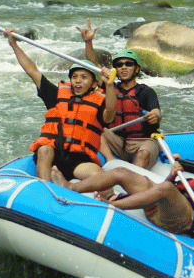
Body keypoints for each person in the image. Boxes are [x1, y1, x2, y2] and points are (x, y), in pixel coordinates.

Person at [6, 29, 117, 184]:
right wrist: (14, 45)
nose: (78, 81)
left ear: (93, 84)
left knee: (98, 174)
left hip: (78, 159)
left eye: (84, 77)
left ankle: (79, 189)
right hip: (54, 154)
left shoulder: (99, 101)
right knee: (44, 149)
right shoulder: (56, 95)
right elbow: (32, 71)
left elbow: (110, 114)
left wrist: (110, 85)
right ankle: (47, 189)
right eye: (74, 77)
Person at [68, 155, 194, 239]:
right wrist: (172, 175)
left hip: (180, 220)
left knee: (166, 188)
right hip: (159, 208)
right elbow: (169, 190)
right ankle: (71, 187)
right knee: (122, 172)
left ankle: (111, 205)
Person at [78, 21, 162, 169]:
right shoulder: (110, 87)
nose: (123, 67)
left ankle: (135, 181)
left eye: (128, 64)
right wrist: (89, 42)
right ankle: (111, 162)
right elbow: (93, 65)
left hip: (142, 142)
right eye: (119, 64)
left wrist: (154, 116)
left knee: (143, 154)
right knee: (96, 128)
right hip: (118, 141)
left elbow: (156, 113)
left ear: (136, 69)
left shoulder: (146, 91)